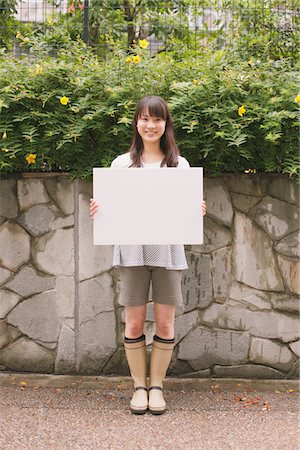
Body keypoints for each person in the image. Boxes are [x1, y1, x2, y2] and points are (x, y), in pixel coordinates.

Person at [90, 95, 206, 415]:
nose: (150, 125)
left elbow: (186, 211)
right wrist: (99, 210)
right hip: (131, 251)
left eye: (157, 119)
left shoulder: (178, 165)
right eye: (144, 118)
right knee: (135, 322)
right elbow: (109, 208)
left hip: (168, 250)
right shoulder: (121, 164)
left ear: (165, 124)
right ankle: (139, 388)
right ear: (136, 123)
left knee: (165, 324)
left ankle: (157, 388)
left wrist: (195, 211)